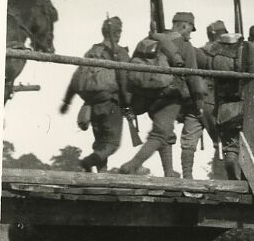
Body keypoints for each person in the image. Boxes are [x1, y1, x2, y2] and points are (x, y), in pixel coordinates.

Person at [116, 11, 199, 177]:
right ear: (183, 26)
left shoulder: (149, 40)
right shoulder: (184, 45)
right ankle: (132, 165)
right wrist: (199, 101)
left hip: (148, 96)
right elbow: (193, 76)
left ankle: (169, 172)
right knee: (160, 133)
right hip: (170, 95)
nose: (190, 33)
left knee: (164, 130)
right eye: (190, 28)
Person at [59, 14, 127, 172]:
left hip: (92, 105)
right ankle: (88, 162)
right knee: (112, 144)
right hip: (111, 103)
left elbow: (77, 75)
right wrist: (127, 103)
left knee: (100, 143)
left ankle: (102, 174)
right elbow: (124, 79)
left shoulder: (92, 51)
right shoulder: (120, 52)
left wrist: (67, 102)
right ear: (117, 33)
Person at [196, 31, 250, 178]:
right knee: (248, 144)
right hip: (244, 105)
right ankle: (244, 177)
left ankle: (231, 167)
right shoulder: (244, 54)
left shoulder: (214, 57)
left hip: (223, 106)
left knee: (230, 144)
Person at [179, 18, 225, 178]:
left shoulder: (198, 51)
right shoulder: (224, 54)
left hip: (195, 100)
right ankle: (222, 179)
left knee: (188, 142)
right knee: (221, 142)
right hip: (215, 103)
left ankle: (187, 178)